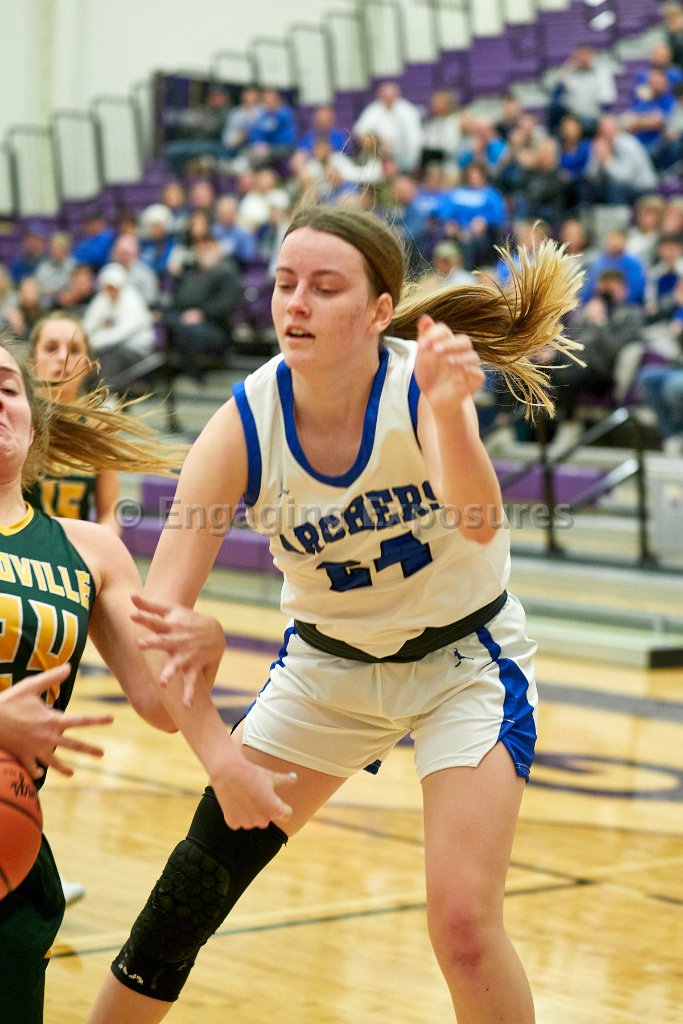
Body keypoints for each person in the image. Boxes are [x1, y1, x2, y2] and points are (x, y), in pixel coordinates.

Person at [87, 205, 582, 1024]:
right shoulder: (243, 423)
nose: (296, 303)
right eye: (285, 284)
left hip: (463, 664)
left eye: (324, 287)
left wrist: (451, 413)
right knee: (181, 905)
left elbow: (479, 522)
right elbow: (158, 624)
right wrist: (220, 755)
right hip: (326, 672)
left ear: (380, 311)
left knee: (463, 928)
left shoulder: (417, 389)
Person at [0, 334, 225, 1024]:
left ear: (33, 418)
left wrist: (205, 644)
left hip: (11, 845)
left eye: (7, 387)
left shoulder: (89, 549)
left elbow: (159, 703)